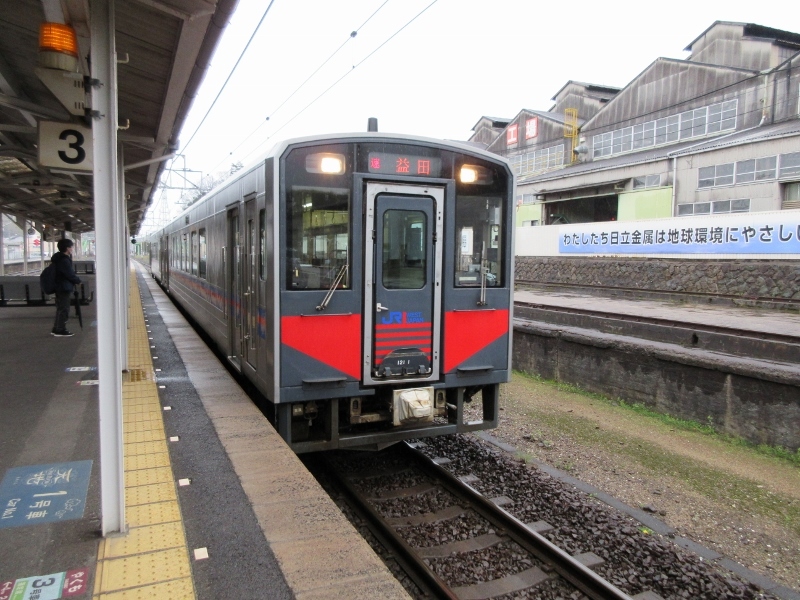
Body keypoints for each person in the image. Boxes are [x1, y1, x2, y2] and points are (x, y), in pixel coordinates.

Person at [51, 238, 81, 337]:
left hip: (59, 286)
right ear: (67, 248)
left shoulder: (58, 258)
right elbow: (69, 274)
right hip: (64, 287)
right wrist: (78, 281)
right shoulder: (64, 260)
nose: (72, 249)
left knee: (60, 308)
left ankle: (56, 328)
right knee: (64, 308)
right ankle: (60, 329)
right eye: (71, 247)